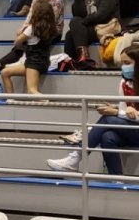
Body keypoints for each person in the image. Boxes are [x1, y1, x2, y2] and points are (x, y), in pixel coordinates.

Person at [48, 44, 139, 174]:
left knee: (108, 119)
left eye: (127, 63)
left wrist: (117, 112)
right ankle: (117, 181)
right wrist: (118, 110)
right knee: (107, 137)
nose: (124, 67)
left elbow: (122, 113)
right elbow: (125, 110)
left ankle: (76, 157)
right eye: (122, 63)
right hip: (132, 129)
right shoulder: (124, 82)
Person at [64, 0, 120, 69]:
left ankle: (82, 58)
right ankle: (74, 63)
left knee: (75, 24)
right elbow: (78, 13)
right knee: (69, 34)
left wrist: (82, 22)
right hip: (90, 28)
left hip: (105, 28)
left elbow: (102, 15)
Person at [0, 0, 59, 95]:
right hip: (42, 62)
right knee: (5, 72)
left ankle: (46, 101)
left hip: (33, 63)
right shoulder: (51, 28)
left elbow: (18, 41)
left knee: (32, 90)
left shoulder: (32, 28)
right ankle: (10, 98)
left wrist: (20, 34)